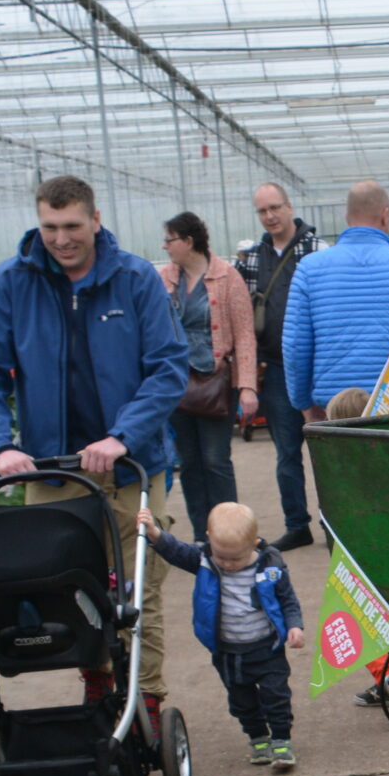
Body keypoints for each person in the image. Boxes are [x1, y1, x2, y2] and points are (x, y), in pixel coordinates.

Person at [0, 175, 189, 738]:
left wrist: (123, 436)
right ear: (38, 223)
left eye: (71, 226)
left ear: (94, 219)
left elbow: (167, 368)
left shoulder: (134, 279)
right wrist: (1, 447)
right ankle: (96, 678)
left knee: (139, 586)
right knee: (65, 584)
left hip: (131, 466)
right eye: (50, 227)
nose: (61, 239)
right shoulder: (14, 283)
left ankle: (148, 698)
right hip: (52, 468)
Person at [280, 181, 389, 515]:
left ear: (346, 216)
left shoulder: (309, 269)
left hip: (335, 411)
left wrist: (304, 404)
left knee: (344, 503)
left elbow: (295, 345)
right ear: (385, 216)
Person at [141, 500, 305, 774]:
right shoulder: (205, 560)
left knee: (276, 696)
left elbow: (287, 600)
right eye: (221, 557)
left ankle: (281, 741)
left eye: (236, 558)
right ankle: (257, 738)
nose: (227, 564)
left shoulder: (270, 566)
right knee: (241, 702)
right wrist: (155, 534)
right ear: (209, 540)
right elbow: (177, 552)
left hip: (267, 648)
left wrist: (294, 626)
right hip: (227, 651)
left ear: (254, 544)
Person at [157, 211, 258, 541]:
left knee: (215, 460)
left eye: (170, 240)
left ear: (188, 241)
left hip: (214, 384)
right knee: (188, 463)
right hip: (176, 386)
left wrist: (246, 387)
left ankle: (231, 533)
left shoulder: (227, 277)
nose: (165, 246)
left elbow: (244, 333)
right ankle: (203, 536)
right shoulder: (164, 278)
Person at [234, 183, 319, 551]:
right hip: (278, 367)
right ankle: (296, 524)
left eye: (274, 208)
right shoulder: (252, 259)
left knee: (328, 450)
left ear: (289, 207)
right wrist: (248, 377)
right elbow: (241, 316)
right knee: (287, 453)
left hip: (316, 367)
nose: (269, 217)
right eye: (262, 211)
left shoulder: (316, 252)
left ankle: (337, 522)